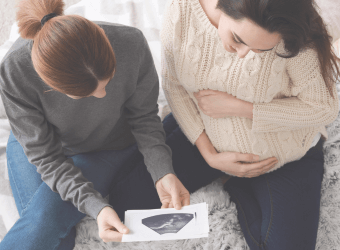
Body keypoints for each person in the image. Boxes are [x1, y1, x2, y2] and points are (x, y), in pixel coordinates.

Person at [0, 0, 193, 249]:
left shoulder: (130, 43)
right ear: (51, 86)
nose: (103, 96)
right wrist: (96, 206)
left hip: (108, 146)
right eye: (84, 95)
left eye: (109, 80)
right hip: (40, 147)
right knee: (41, 228)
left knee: (48, 231)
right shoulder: (15, 71)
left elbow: (144, 117)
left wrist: (162, 171)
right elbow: (46, 158)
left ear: (103, 37)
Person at [157, 0, 340, 249]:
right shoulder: (182, 11)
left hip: (282, 154)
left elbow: (324, 107)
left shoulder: (289, 28)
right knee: (129, 196)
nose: (242, 54)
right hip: (206, 138)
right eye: (239, 39)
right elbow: (173, 85)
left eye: (261, 50)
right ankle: (230, 176)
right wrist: (209, 154)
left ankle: (240, 185)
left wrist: (243, 109)